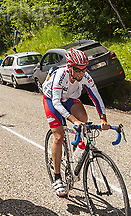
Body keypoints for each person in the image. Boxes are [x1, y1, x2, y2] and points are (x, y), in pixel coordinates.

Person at [42, 48, 110, 198]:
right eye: (78, 70)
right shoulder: (61, 75)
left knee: (83, 118)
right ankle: (58, 177)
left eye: (84, 70)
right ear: (69, 67)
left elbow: (96, 96)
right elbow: (57, 103)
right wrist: (73, 120)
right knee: (59, 137)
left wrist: (103, 118)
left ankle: (75, 148)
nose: (81, 73)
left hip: (70, 98)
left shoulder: (85, 76)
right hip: (52, 100)